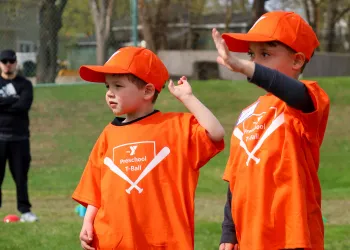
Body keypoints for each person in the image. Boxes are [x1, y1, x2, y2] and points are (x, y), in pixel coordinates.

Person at [72, 46, 225, 250]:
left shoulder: (176, 127)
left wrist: (188, 98)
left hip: (164, 242)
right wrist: (88, 222)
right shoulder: (108, 134)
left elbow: (216, 133)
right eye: (107, 86)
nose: (110, 93)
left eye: (118, 86)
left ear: (148, 91)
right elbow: (94, 189)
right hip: (113, 240)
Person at [214, 11, 330, 250]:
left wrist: (247, 69)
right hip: (250, 237)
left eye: (265, 54)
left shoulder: (307, 98)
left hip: (292, 237)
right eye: (251, 55)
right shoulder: (248, 113)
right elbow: (235, 178)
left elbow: (293, 92)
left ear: (297, 61)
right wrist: (229, 231)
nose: (254, 62)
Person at [0, 49, 37, 222]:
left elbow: (23, 106)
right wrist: (13, 101)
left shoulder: (25, 84)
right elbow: (17, 104)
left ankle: (25, 211)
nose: (8, 64)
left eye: (11, 61)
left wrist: (4, 104)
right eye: (4, 61)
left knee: (21, 177)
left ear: (16, 63)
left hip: (20, 138)